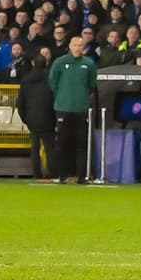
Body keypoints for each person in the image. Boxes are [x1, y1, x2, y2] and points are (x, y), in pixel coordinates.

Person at [48, 36, 97, 183]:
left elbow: (91, 85)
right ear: (70, 45)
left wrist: (80, 97)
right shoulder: (60, 62)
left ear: (84, 47)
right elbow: (53, 83)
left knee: (81, 144)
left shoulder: (89, 64)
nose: (77, 47)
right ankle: (61, 175)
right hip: (63, 108)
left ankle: (81, 176)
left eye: (80, 45)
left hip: (81, 109)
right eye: (75, 45)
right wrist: (63, 97)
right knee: (61, 143)